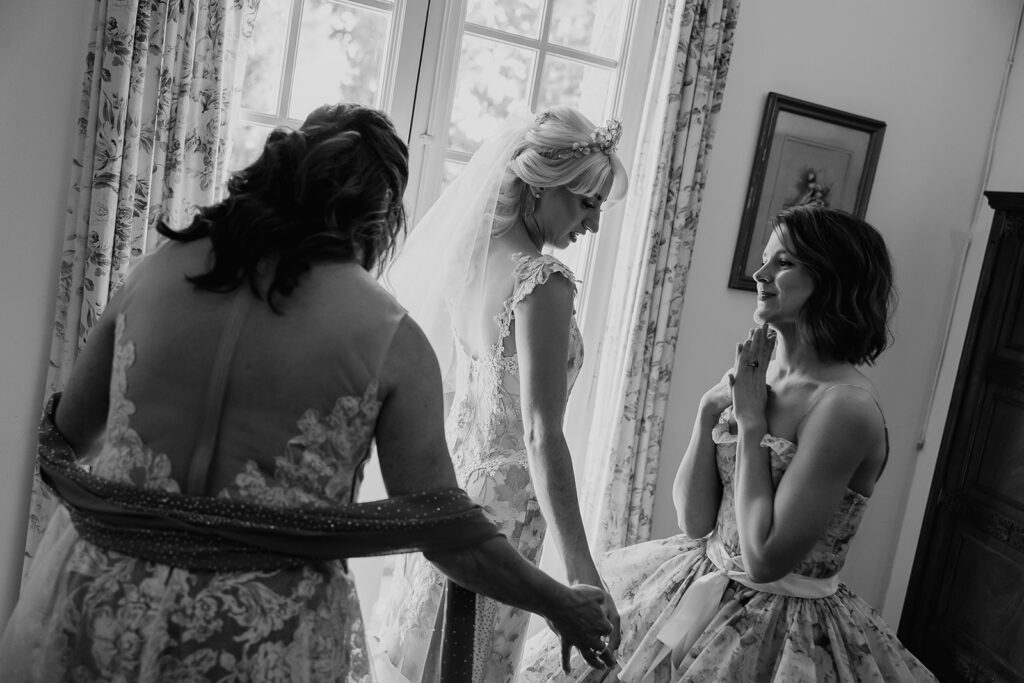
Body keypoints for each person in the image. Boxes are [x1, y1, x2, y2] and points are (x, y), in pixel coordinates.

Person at [0, 104, 618, 682]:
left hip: (98, 604)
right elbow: (445, 532)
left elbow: (69, 434)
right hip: (257, 631)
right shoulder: (389, 334)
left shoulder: (157, 270)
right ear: (379, 216)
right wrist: (560, 603)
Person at [519, 205, 938, 681]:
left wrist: (752, 421)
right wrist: (706, 411)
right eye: (765, 259)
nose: (760, 274)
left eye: (784, 263)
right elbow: (695, 522)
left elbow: (763, 559)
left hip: (784, 630)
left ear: (832, 281)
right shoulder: (761, 369)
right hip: (699, 582)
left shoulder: (844, 408)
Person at [370, 106, 628, 682]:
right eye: (586, 203)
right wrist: (583, 574)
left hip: (454, 494)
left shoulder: (472, 260)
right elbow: (541, 432)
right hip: (504, 521)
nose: (591, 225)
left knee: (436, 661)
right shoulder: (543, 280)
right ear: (541, 186)